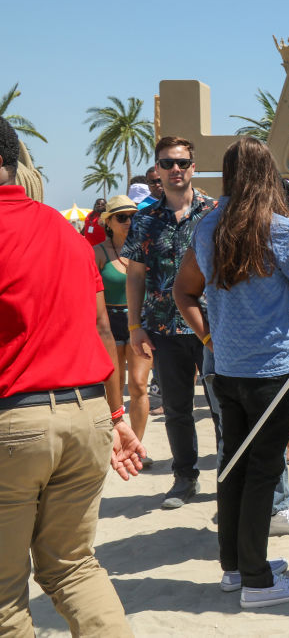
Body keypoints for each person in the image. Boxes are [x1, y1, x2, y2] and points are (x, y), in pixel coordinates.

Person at [0, 116, 145, 634]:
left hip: (14, 423)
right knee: (74, 567)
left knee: (3, 593)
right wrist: (116, 414)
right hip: (87, 417)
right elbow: (102, 331)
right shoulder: (63, 232)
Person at [174, 136, 289, 608]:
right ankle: (257, 579)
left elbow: (185, 291)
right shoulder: (282, 228)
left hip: (226, 368)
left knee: (231, 465)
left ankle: (235, 567)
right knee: (262, 469)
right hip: (271, 369)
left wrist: (211, 338)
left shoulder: (207, 225)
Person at [123, 135, 217, 509]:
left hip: (211, 326)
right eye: (166, 163)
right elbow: (135, 275)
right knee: (177, 409)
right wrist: (134, 326)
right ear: (157, 171)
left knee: (222, 405)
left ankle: (230, 474)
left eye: (181, 163)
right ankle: (184, 477)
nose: (175, 169)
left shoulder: (215, 212)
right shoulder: (145, 219)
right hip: (163, 327)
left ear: (193, 167)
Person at [96, 194, 155, 455]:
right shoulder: (97, 253)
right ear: (108, 222)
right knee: (115, 387)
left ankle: (135, 445)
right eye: (122, 217)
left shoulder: (146, 249)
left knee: (140, 385)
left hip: (140, 320)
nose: (129, 221)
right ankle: (116, 441)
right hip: (109, 323)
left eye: (133, 216)